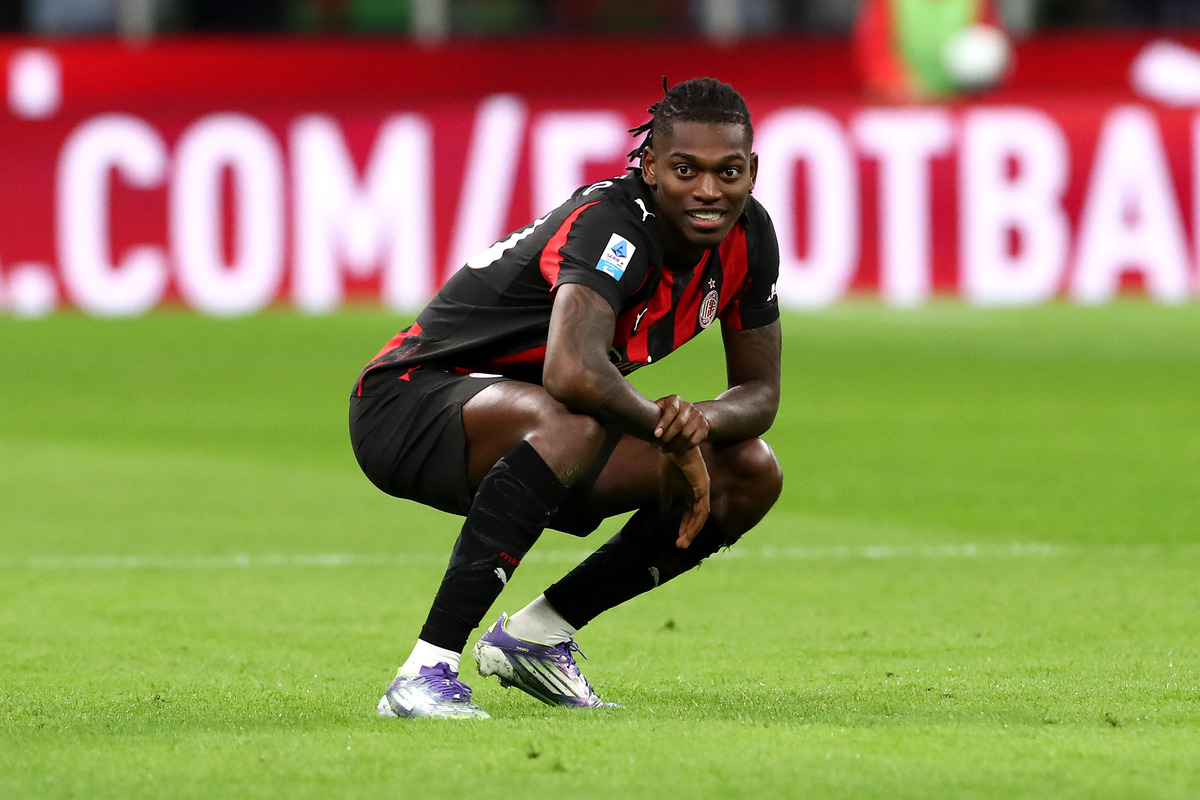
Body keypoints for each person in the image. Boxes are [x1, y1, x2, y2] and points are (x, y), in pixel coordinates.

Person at [349, 76, 783, 719]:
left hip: (535, 414)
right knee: (569, 424)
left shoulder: (749, 236)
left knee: (749, 471)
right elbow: (574, 373)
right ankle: (424, 673)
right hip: (409, 401)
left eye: (728, 172)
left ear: (752, 170)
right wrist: (675, 438)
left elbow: (761, 392)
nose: (709, 191)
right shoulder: (615, 226)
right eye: (686, 169)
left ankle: (538, 635)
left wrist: (701, 422)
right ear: (650, 167)